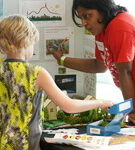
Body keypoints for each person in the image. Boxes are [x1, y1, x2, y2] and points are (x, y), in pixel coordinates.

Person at [0, 14, 114, 150]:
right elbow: (69, 106)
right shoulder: (36, 73)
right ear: (26, 42)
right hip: (25, 144)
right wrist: (101, 103)